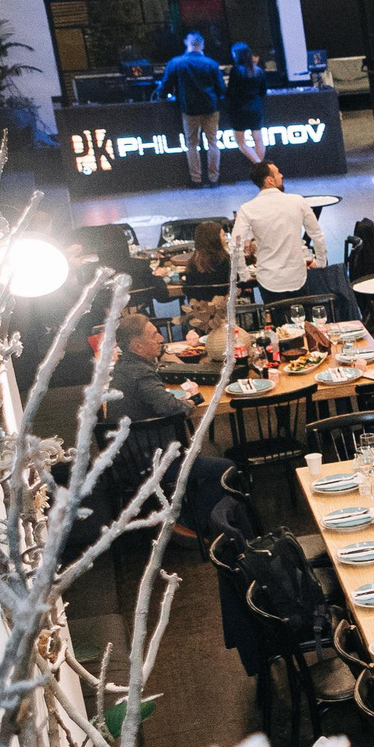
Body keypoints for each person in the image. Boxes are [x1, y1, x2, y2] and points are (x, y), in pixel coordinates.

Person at [106, 310, 231, 535]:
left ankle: (187, 506)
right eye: (154, 335)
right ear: (137, 346)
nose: (161, 338)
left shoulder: (125, 367)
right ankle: (190, 522)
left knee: (205, 457)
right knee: (226, 469)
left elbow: (158, 400)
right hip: (149, 461)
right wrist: (189, 405)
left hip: (129, 455)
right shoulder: (141, 374)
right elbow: (169, 408)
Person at [229, 161, 326, 301]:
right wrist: (321, 263)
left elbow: (234, 247)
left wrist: (244, 275)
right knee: (302, 318)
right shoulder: (297, 201)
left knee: (276, 320)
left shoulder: (247, 209)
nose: (282, 175)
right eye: (278, 173)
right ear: (269, 180)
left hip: (268, 280)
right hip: (298, 276)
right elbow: (317, 235)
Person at [158, 33, 227, 186]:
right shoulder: (211, 63)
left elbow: (165, 86)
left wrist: (161, 96)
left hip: (189, 109)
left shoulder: (176, 63)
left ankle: (196, 179)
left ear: (186, 43)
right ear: (202, 45)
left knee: (192, 144)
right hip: (211, 107)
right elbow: (221, 88)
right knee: (213, 143)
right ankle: (214, 179)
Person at [221, 41, 270, 164]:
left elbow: (231, 91)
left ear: (236, 55)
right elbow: (263, 91)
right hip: (256, 107)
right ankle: (261, 167)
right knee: (258, 140)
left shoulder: (236, 71)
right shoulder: (258, 71)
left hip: (239, 109)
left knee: (241, 143)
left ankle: (258, 165)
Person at [181, 219, 234, 302]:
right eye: (223, 235)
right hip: (223, 306)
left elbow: (188, 290)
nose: (226, 239)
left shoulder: (193, 262)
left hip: (199, 309)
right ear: (214, 238)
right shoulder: (225, 260)